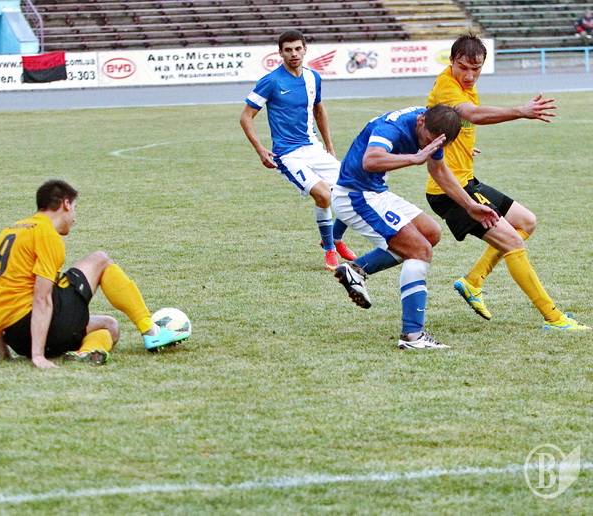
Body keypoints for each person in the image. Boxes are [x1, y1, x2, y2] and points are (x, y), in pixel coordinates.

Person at [426, 33, 589, 331]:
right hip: (450, 191)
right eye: (463, 67)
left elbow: (445, 122)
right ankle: (554, 318)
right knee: (512, 241)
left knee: (526, 222)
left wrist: (461, 144)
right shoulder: (447, 86)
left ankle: (473, 281)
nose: (469, 75)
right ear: (451, 62)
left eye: (476, 69)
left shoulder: (464, 86)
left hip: (467, 180)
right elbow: (471, 114)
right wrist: (520, 112)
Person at [331, 105, 499, 349]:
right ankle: (412, 335)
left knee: (430, 233)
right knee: (420, 250)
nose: (428, 145)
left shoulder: (435, 128)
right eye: (428, 140)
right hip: (355, 195)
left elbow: (438, 170)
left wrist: (470, 205)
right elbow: (371, 160)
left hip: (375, 191)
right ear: (420, 121)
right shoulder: (392, 128)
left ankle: (356, 270)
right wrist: (415, 157)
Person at [0, 180, 186, 369]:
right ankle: (151, 330)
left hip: (15, 338)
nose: (75, 218)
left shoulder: (10, 231)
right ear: (66, 204)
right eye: (75, 208)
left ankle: (87, 352)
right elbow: (41, 297)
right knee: (101, 259)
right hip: (35, 329)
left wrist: (3, 351)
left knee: (110, 326)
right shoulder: (46, 233)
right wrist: (38, 356)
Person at [240, 29, 356, 271]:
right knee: (323, 195)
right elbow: (246, 117)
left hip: (313, 147)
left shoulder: (313, 78)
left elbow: (319, 110)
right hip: (287, 154)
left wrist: (329, 145)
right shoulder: (271, 81)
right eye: (288, 50)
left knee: (353, 187)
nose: (293, 54)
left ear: (305, 49)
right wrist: (261, 150)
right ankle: (330, 250)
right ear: (280, 53)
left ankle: (335, 237)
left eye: (297, 49)